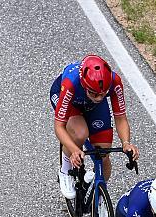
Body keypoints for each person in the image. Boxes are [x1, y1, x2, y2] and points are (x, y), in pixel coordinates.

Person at [49, 54, 140, 201]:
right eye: (95, 94)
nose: (99, 98)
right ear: (85, 86)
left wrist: (126, 143)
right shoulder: (71, 83)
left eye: (103, 94)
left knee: (103, 153)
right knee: (79, 133)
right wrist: (74, 150)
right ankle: (65, 171)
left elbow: (121, 118)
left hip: (90, 105)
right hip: (68, 98)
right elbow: (59, 126)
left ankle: (97, 193)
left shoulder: (114, 82)